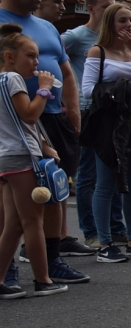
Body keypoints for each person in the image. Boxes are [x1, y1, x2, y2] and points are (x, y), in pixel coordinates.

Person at [0, 0, 83, 264]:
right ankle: (8, 271)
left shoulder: (47, 27)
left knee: (52, 188)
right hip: (11, 123)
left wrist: (72, 109)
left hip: (50, 117)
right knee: (11, 200)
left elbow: (68, 73)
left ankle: (52, 262)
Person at [82, 4, 131, 263]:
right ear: (110, 24)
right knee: (105, 184)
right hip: (108, 122)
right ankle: (105, 244)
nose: (129, 26)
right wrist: (126, 88)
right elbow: (88, 90)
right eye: (123, 21)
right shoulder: (98, 52)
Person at [0, 24, 68, 297]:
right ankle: (43, 280)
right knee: (32, 222)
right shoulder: (13, 79)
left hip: (6, 158)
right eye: (30, 56)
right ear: (9, 57)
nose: (37, 62)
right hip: (21, 157)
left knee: (14, 225)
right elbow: (29, 115)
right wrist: (43, 89)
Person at [60, 0, 125, 248]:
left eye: (113, 5)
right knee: (88, 173)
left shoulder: (114, 38)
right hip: (88, 109)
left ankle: (116, 229)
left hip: (113, 112)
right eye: (104, 7)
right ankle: (92, 232)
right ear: (90, 8)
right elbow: (51, 57)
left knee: (114, 168)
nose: (109, 11)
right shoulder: (76, 37)